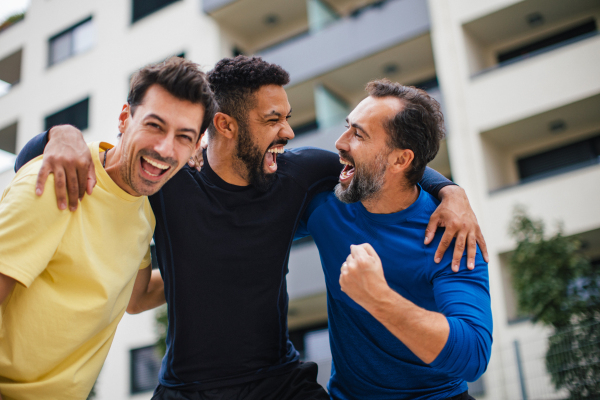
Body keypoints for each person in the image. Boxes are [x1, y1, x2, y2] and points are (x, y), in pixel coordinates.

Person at [16, 56, 488, 399]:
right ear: (224, 125)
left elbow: (390, 169)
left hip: (280, 382)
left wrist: (452, 192)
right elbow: (97, 156)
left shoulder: (302, 177)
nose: (289, 132)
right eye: (273, 120)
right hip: (186, 388)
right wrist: (61, 135)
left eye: (286, 117)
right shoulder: (169, 179)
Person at [0, 57, 214, 400]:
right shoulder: (59, 178)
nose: (164, 148)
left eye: (183, 137)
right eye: (154, 125)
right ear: (124, 119)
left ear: (195, 147)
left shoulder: (144, 212)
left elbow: (137, 296)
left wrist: (222, 261)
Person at [300, 80, 492, 399]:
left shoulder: (451, 234)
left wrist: (379, 299)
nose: (339, 142)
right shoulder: (327, 205)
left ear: (401, 160)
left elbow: (473, 355)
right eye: (348, 127)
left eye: (359, 134)